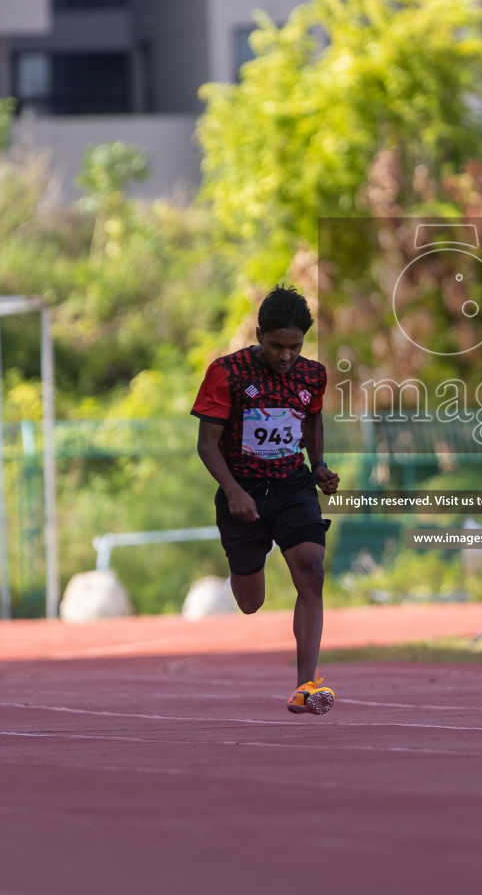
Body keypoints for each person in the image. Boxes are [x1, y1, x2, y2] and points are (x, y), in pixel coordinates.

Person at [194, 286, 340, 715]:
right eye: (276, 345)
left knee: (312, 570)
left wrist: (319, 465)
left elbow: (311, 421)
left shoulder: (312, 375)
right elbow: (206, 445)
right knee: (250, 602)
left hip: (293, 485)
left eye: (295, 346)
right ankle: (244, 558)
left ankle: (305, 687)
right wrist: (235, 492)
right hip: (243, 491)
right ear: (259, 335)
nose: (285, 356)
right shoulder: (227, 373)